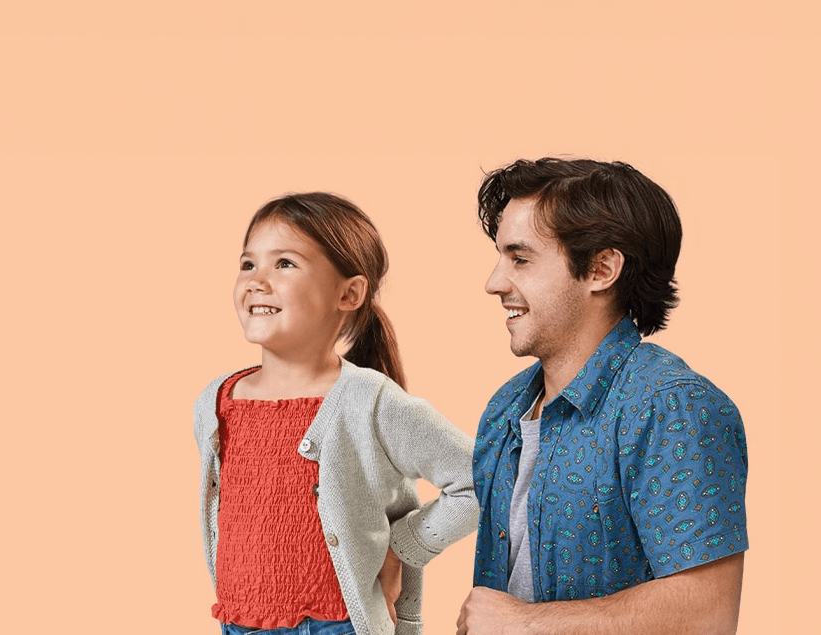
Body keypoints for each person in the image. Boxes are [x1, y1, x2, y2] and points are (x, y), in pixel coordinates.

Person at [457, 158, 748, 634]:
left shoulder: (672, 408)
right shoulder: (504, 409)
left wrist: (525, 624)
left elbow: (706, 616)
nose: (494, 282)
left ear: (601, 269)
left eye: (521, 258)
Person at [194, 192, 479, 635]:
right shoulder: (216, 402)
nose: (257, 280)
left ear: (348, 293)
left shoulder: (369, 400)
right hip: (238, 624)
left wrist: (403, 547)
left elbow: (480, 478)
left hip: (336, 626)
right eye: (248, 264)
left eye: (284, 263)